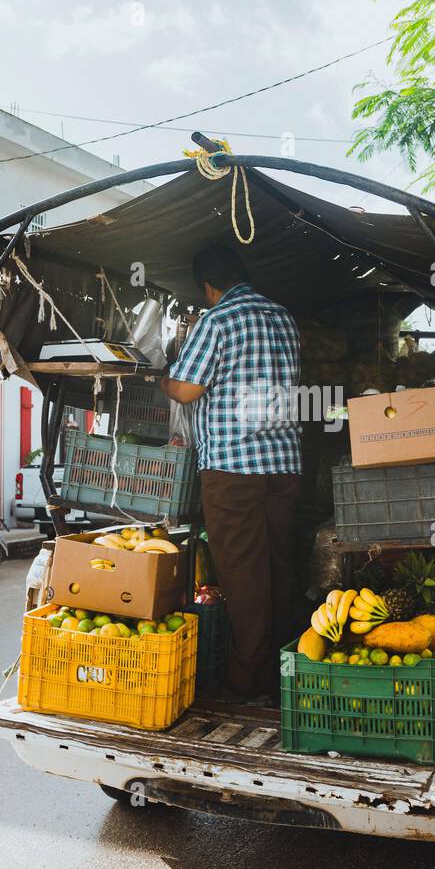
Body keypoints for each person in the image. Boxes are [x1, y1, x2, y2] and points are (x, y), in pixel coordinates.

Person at [161, 243, 302, 702]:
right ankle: (289, 670)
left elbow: (185, 390)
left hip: (233, 468)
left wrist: (164, 376)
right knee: (280, 568)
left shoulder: (217, 320)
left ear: (208, 286)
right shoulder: (283, 317)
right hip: (283, 466)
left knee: (242, 575)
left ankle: (248, 680)